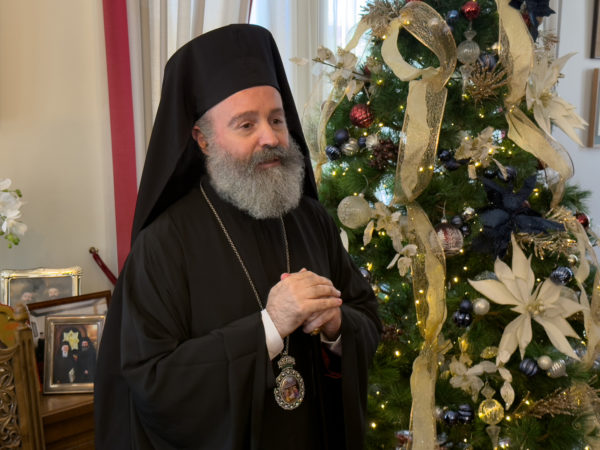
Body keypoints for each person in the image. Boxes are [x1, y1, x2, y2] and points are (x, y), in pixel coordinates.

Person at [94, 24, 381, 450]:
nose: (271, 138)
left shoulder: (312, 219)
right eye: (246, 125)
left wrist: (336, 327)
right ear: (203, 140)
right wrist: (269, 327)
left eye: (277, 119)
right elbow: (152, 381)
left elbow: (366, 316)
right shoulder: (163, 244)